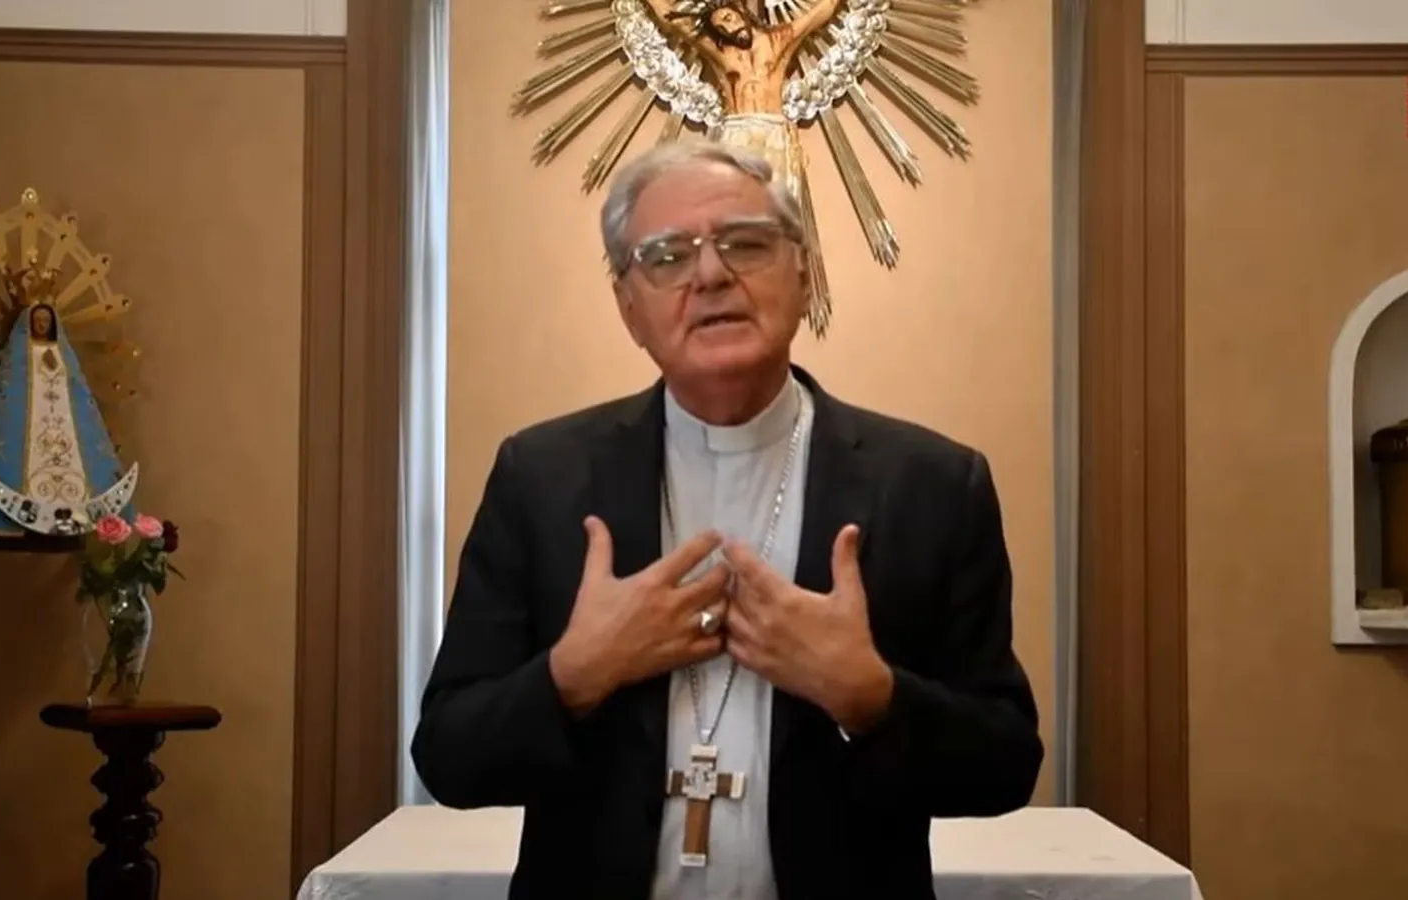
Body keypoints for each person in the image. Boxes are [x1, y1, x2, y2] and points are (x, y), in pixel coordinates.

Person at [411, 139, 1045, 900]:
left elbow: (1006, 765)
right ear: (628, 308)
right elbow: (448, 756)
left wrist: (870, 696)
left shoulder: (933, 486)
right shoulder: (540, 478)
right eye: (666, 257)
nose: (710, 274)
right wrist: (575, 676)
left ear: (804, 274)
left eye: (746, 243)